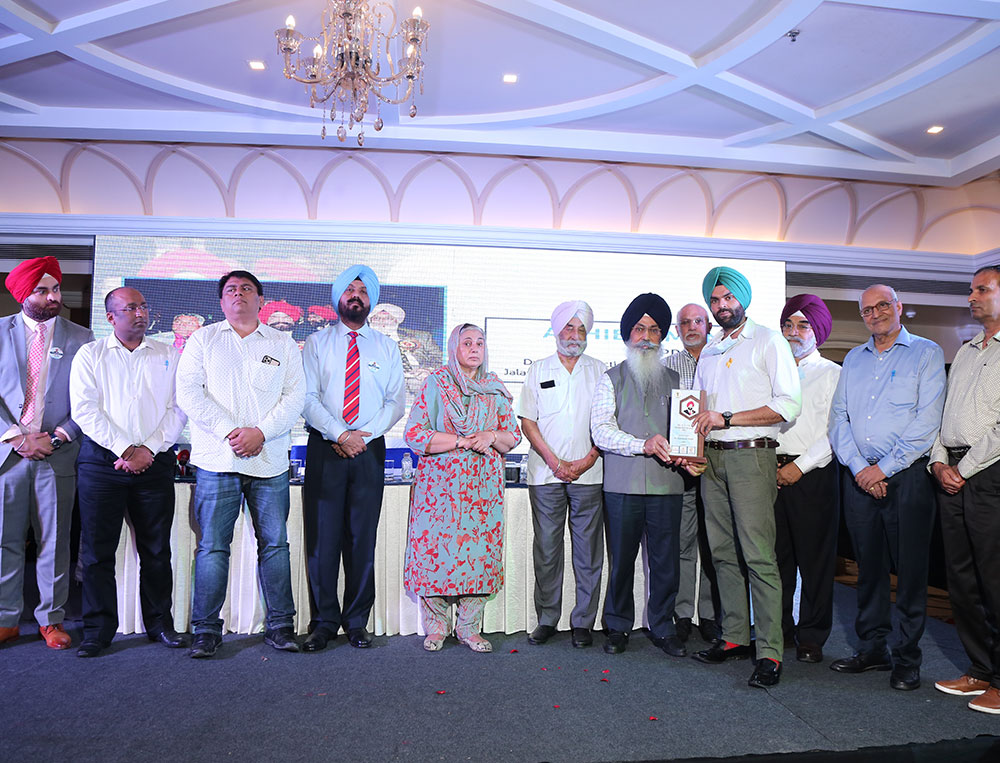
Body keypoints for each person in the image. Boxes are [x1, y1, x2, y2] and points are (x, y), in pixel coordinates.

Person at [176, 270, 305, 658]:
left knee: (275, 546)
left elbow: (295, 397)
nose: (238, 294)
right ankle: (205, 631)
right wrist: (232, 432)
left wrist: (260, 433)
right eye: (231, 290)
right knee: (213, 548)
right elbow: (189, 393)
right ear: (221, 301)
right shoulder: (203, 339)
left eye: (247, 289)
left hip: (269, 462)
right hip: (218, 460)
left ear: (260, 300)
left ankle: (281, 626)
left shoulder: (282, 343)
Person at [829, 284, 945, 691]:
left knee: (910, 573)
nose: (875, 314)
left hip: (907, 478)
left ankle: (908, 658)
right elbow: (838, 420)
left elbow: (927, 422)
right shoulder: (853, 359)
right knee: (869, 570)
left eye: (882, 306)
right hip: (859, 477)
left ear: (899, 307)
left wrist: (884, 469)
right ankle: (872, 649)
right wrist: (862, 468)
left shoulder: (926, 353)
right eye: (867, 310)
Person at [690, 266, 801, 689]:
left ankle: (769, 651)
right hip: (712, 461)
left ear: (743, 299)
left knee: (758, 556)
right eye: (715, 300)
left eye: (728, 298)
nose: (722, 306)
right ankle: (735, 636)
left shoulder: (769, 341)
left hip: (752, 456)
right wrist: (692, 453)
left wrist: (728, 417)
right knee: (721, 553)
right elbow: (698, 412)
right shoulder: (710, 351)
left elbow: (788, 405)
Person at [69, 287, 188, 658]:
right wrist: (125, 449)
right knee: (97, 552)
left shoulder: (170, 354)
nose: (141, 313)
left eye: (144, 306)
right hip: (101, 464)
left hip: (155, 463)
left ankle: (160, 624)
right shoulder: (90, 354)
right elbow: (84, 410)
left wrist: (147, 450)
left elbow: (179, 409)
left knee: (156, 550)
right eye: (131, 308)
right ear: (110, 317)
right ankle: (97, 630)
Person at [301, 265, 405, 652]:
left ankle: (357, 621)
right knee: (322, 539)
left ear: (370, 300)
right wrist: (340, 434)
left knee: (362, 539)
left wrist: (362, 436)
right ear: (338, 297)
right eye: (350, 289)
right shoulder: (316, 343)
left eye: (363, 290)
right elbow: (307, 398)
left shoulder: (386, 347)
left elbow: (396, 401)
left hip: (369, 449)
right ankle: (323, 622)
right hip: (325, 448)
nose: (356, 295)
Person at [403, 323, 521, 653]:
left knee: (479, 554)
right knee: (435, 553)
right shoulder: (436, 383)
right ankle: (436, 627)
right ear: (453, 347)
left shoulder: (494, 388)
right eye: (466, 342)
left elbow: (512, 435)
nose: (474, 348)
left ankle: (469, 628)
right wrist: (460, 441)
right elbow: (414, 434)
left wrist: (490, 436)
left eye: (479, 343)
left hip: (482, 491)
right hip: (438, 490)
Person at [591, 293, 694, 658]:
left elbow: (687, 431)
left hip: (668, 485)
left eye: (653, 330)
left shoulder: (677, 381)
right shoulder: (610, 379)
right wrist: (642, 445)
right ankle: (618, 625)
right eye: (639, 329)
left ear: (662, 336)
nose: (646, 337)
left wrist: (691, 455)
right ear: (627, 334)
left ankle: (663, 626)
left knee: (666, 563)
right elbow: (601, 431)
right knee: (621, 562)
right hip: (623, 486)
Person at [0, 256, 93, 649]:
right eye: (42, 290)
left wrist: (56, 437)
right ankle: (5, 619)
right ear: (23, 294)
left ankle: (51, 619)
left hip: (58, 453)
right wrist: (16, 438)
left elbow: (91, 399)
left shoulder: (83, 338)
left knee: (54, 542)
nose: (53, 297)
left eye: (56, 289)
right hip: (7, 455)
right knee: (4, 540)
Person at [928, 265, 1000, 714]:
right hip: (951, 470)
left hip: (988, 473)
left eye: (982, 289)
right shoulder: (968, 350)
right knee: (961, 578)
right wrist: (938, 461)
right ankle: (980, 669)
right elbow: (946, 415)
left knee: (994, 577)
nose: (971, 297)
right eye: (971, 290)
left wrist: (964, 468)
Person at [518, 300, 605, 649]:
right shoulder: (538, 369)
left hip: (590, 472)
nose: (575, 335)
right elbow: (528, 422)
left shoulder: (600, 371)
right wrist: (555, 462)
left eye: (581, 329)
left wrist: (588, 459)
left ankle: (583, 622)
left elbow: (607, 422)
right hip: (545, 474)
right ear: (556, 330)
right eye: (569, 327)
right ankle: (547, 619)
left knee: (588, 553)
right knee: (547, 550)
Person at [774, 294, 841, 663]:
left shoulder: (833, 373)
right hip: (770, 473)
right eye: (788, 324)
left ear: (818, 331)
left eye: (802, 325)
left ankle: (812, 637)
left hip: (813, 474)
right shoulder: (771, 372)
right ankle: (779, 631)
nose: (793, 332)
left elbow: (836, 432)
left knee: (815, 562)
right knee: (776, 559)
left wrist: (799, 467)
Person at [664, 303, 720, 644]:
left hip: (718, 464)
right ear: (678, 329)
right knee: (683, 545)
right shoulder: (667, 366)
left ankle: (710, 615)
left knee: (715, 545)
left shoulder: (723, 360)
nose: (691, 327)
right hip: (681, 468)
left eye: (698, 321)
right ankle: (683, 614)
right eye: (685, 322)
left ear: (708, 325)